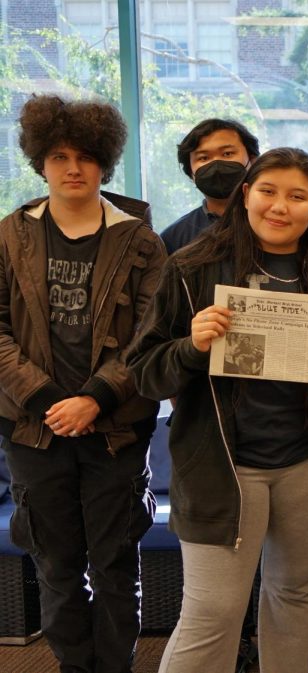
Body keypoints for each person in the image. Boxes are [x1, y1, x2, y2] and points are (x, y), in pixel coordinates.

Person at [128, 148, 308, 673]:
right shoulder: (192, 268)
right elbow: (143, 371)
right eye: (268, 191)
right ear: (245, 196)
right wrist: (190, 346)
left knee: (297, 597)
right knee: (212, 611)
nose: (280, 206)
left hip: (307, 461)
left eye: (297, 196)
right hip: (220, 465)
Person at [1, 94, 166, 673]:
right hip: (33, 429)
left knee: (117, 564)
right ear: (39, 161)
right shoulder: (8, 235)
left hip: (115, 430)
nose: (74, 167)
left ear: (106, 162)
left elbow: (152, 335)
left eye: (87, 156)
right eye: (59, 155)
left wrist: (93, 400)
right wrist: (51, 403)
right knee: (56, 565)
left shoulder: (142, 241)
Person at [161, 118, 261, 254]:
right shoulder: (174, 238)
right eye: (203, 158)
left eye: (227, 153)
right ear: (191, 173)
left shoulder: (276, 223)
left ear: (253, 160)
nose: (216, 164)